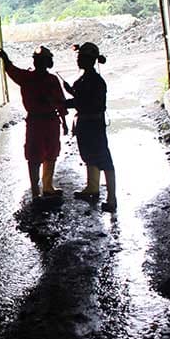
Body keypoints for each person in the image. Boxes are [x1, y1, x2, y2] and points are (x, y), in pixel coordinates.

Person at [0, 46, 69, 199]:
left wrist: (64, 122)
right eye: (37, 60)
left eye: (40, 60)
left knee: (48, 154)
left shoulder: (37, 78)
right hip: (40, 122)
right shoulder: (31, 77)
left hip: (45, 122)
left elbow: (60, 102)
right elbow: (11, 70)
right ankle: (38, 190)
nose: (38, 62)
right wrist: (5, 59)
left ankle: (45, 188)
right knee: (36, 155)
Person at [64, 42, 117, 212]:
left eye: (81, 57)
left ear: (90, 60)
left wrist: (65, 101)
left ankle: (111, 199)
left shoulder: (93, 81)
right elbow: (83, 99)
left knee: (103, 160)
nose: (78, 60)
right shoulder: (90, 80)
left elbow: (84, 102)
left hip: (91, 124)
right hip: (89, 124)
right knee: (90, 156)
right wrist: (72, 94)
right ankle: (92, 188)